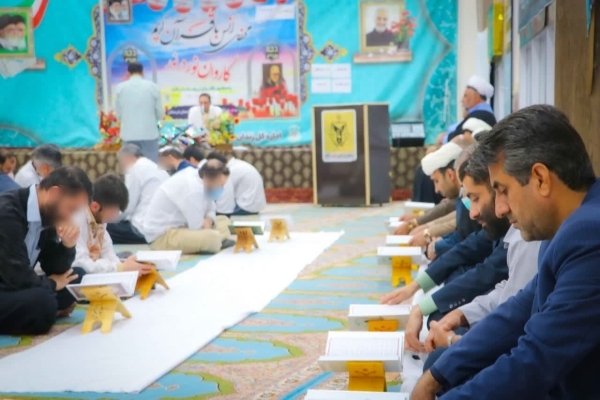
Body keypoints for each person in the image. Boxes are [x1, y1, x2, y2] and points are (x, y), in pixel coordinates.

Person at [410, 105, 600, 400]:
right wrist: (438, 374)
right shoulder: (567, 228)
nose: (499, 209)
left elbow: (535, 360)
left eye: (503, 190)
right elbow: (520, 308)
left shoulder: (588, 235)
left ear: (540, 179)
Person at [420, 145, 542, 371]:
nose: (473, 212)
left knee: (440, 364)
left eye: (503, 191)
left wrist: (455, 342)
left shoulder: (535, 233)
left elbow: (522, 330)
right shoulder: (521, 228)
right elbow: (511, 293)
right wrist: (462, 314)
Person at [381, 154, 511, 352]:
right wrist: (416, 288)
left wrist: (452, 339)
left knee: (440, 350)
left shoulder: (525, 234)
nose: (473, 212)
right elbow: (468, 246)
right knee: (438, 325)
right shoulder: (504, 225)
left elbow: (486, 272)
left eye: (475, 198)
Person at [0, 166, 92, 335]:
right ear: (54, 193)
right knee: (42, 303)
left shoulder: (46, 213)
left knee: (78, 277)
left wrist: (68, 245)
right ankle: (47, 312)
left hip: (15, 286)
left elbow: (53, 267)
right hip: (8, 284)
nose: (69, 217)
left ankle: (41, 313)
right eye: (71, 209)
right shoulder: (7, 212)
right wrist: (52, 284)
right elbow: (17, 276)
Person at [412, 76, 496, 203]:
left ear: (476, 97)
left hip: (460, 162)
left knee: (426, 174)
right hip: (454, 159)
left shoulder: (483, 115)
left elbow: (465, 140)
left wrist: (438, 154)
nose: (462, 100)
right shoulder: (474, 114)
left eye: (466, 96)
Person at [142, 159, 233, 254]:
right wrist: (207, 223)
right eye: (220, 185)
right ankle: (215, 241)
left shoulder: (203, 182)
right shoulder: (193, 189)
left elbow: (211, 209)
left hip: (183, 226)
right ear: (208, 179)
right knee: (213, 237)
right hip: (163, 236)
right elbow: (197, 227)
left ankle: (209, 242)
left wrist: (209, 220)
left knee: (225, 221)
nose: (221, 188)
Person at [73, 174, 152, 275]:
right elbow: (80, 263)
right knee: (80, 272)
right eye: (114, 211)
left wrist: (125, 267)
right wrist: (120, 267)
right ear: (95, 206)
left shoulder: (99, 220)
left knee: (127, 258)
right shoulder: (76, 221)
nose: (116, 216)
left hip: (91, 267)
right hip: (75, 272)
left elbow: (108, 254)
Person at [106, 144, 168, 244]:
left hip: (142, 229)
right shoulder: (154, 167)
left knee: (102, 226)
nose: (122, 166)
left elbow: (127, 207)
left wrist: (108, 218)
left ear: (128, 157)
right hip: (162, 228)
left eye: (121, 162)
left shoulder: (135, 168)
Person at [115, 62, 164, 163]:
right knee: (151, 166)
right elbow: (160, 113)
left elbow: (118, 115)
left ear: (128, 73)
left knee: (130, 166)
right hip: (149, 134)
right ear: (142, 72)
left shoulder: (120, 88)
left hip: (128, 135)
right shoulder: (153, 87)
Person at [207, 152, 267, 217]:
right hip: (255, 204)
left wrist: (219, 213)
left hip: (245, 206)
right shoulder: (237, 164)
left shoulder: (230, 171)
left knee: (211, 213)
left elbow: (224, 195)